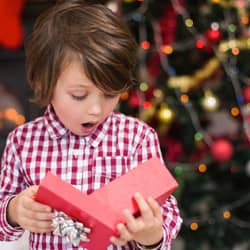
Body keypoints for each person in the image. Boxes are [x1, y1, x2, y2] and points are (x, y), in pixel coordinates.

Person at [0, 1, 182, 249]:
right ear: (44, 85)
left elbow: (168, 213)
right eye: (78, 95)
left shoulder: (137, 138)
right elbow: (3, 220)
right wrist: (14, 210)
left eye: (109, 95)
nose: (96, 110)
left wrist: (151, 235)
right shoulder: (22, 142)